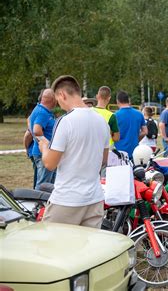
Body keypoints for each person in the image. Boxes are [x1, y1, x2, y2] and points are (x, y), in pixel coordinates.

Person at [38, 75, 110, 228]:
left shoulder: (65, 121)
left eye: (58, 100)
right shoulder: (102, 121)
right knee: (88, 250)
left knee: (51, 248)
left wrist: (44, 147)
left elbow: (50, 164)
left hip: (67, 200)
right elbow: (104, 159)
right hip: (94, 199)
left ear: (62, 95)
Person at [29, 88, 57, 189]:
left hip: (42, 153)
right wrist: (48, 144)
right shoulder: (42, 112)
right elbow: (36, 130)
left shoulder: (40, 110)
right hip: (43, 154)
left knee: (47, 183)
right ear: (52, 100)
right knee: (43, 184)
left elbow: (30, 125)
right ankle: (38, 204)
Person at [114, 91, 147, 159]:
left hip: (119, 152)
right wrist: (135, 139)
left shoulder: (115, 116)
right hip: (135, 151)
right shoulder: (139, 114)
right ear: (128, 100)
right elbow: (145, 131)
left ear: (117, 101)